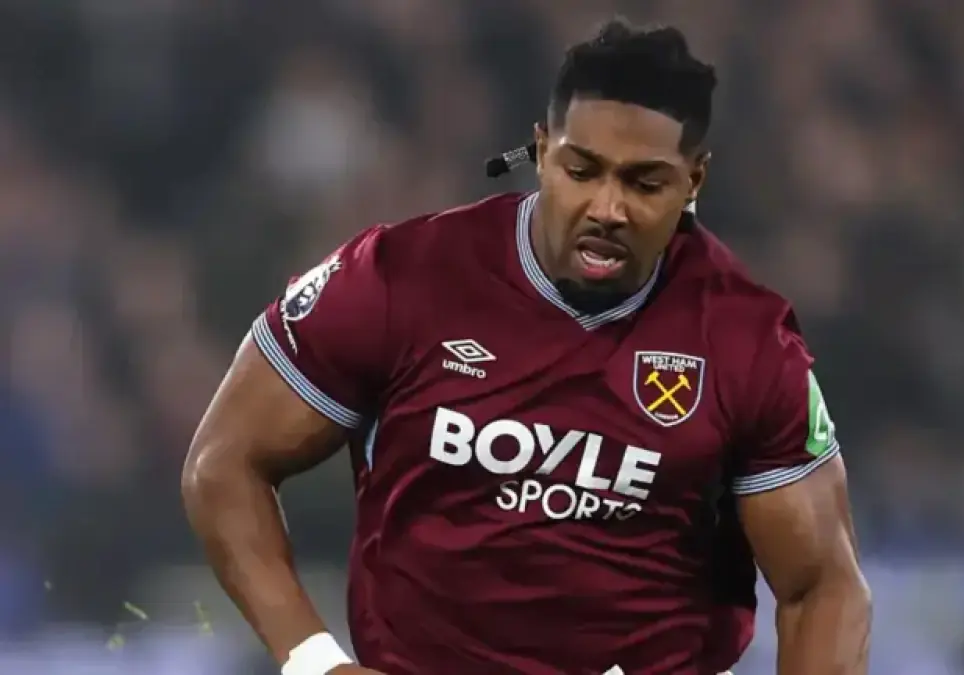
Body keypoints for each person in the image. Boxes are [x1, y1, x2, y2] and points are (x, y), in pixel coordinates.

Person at [182, 18, 871, 675]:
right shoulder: (402, 279)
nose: (607, 208)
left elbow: (823, 586)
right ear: (541, 151)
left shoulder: (746, 341)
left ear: (694, 181)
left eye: (644, 182)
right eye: (582, 170)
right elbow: (225, 460)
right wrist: (312, 658)